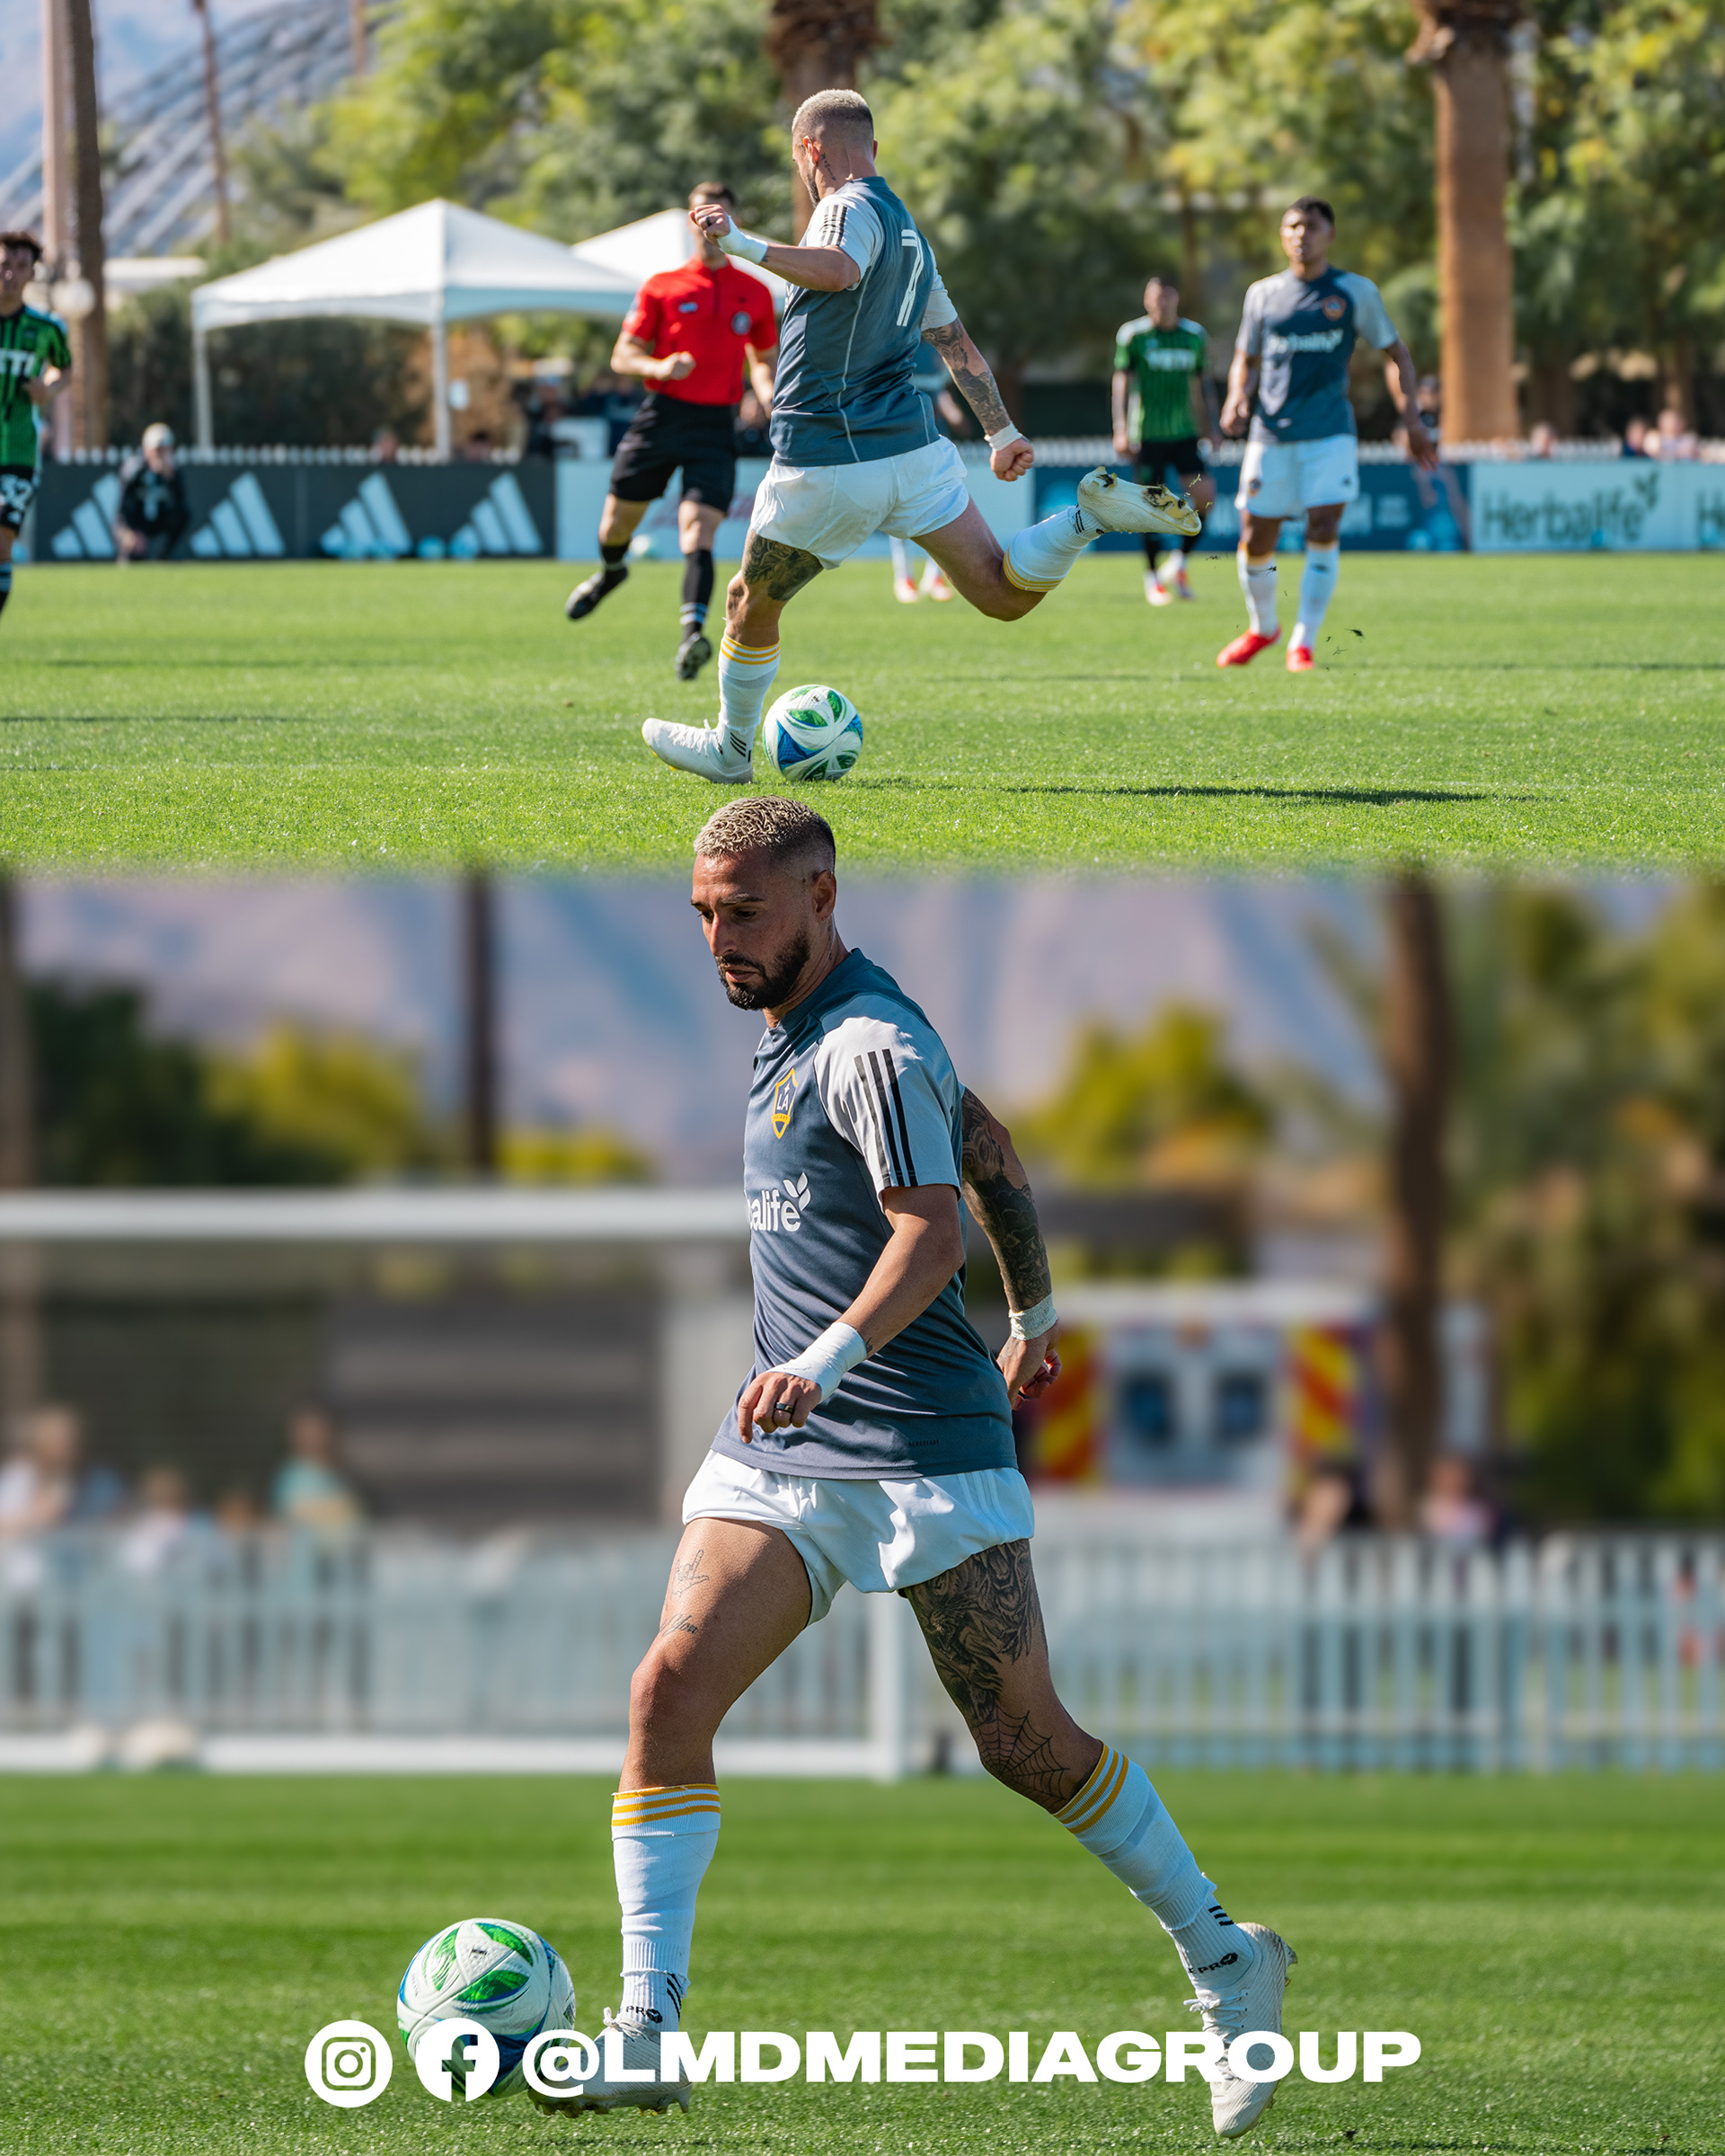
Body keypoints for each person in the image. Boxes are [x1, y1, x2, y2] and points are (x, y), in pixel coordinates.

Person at [544, 795, 1296, 2136]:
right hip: (782, 1453)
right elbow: (991, 1145)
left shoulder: (872, 1044)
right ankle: (646, 2029)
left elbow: (931, 1232)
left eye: (746, 913)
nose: (720, 940)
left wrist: (831, 1358)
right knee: (667, 1687)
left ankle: (1227, 1960)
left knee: (1024, 1745)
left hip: (919, 1447)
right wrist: (1039, 1313)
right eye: (704, 914)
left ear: (822, 896)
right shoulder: (802, 1026)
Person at [640, 91, 1199, 782]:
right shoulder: (909, 232)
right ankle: (1086, 520)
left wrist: (741, 243)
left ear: (811, 150)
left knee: (747, 605)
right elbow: (955, 342)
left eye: (798, 159)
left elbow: (838, 269)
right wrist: (1001, 431)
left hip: (830, 454)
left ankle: (730, 750)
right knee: (1002, 594)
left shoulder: (843, 207)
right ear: (873, 147)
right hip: (913, 452)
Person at [564, 182, 780, 684]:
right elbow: (623, 355)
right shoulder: (662, 286)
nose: (710, 226)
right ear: (689, 222)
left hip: (715, 424)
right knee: (614, 528)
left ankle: (692, 637)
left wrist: (769, 396)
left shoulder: (754, 291)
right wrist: (659, 366)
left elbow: (762, 359)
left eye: (720, 217)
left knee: (698, 531)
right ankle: (612, 572)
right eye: (702, 216)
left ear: (733, 221)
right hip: (662, 416)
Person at [1216, 197, 1436, 673]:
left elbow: (1396, 355)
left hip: (1330, 434)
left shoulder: (1354, 292)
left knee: (1323, 527)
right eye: (1293, 226)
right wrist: (1236, 396)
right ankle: (1263, 628)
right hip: (1270, 435)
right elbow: (1245, 358)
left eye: (1312, 226)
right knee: (1256, 535)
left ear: (1330, 235)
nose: (1302, 234)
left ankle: (1303, 641)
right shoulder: (1262, 294)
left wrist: (1413, 419)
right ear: (1282, 235)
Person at [1111, 276, 1216, 605]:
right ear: (1146, 300)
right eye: (1155, 297)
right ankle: (1153, 577)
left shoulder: (1194, 336)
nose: (1161, 303)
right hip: (1147, 436)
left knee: (1205, 497)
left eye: (1166, 296)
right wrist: (1120, 428)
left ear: (1176, 299)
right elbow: (1121, 382)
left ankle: (1179, 563)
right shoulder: (1134, 336)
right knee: (1150, 507)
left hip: (1184, 433)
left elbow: (1203, 383)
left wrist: (1211, 427)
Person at [0, 229, 72, 628]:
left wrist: (49, 388)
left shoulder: (46, 328)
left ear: (32, 274)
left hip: (18, 451)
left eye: (20, 266)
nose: (10, 274)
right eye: (4, 265)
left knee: (2, 542)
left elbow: (65, 369)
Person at [270, 1405, 363, 1531]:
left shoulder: (341, 1473)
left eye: (317, 1429)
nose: (313, 1437)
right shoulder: (290, 1477)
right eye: (306, 1431)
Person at [114, 423, 190, 561]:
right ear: (146, 450)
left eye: (164, 450)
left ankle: (164, 555)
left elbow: (180, 505)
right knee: (134, 552)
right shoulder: (133, 470)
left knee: (184, 515)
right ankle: (127, 555)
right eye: (157, 450)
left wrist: (170, 479)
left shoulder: (174, 472)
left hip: (158, 521)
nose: (160, 455)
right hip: (136, 523)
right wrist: (128, 532)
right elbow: (122, 509)